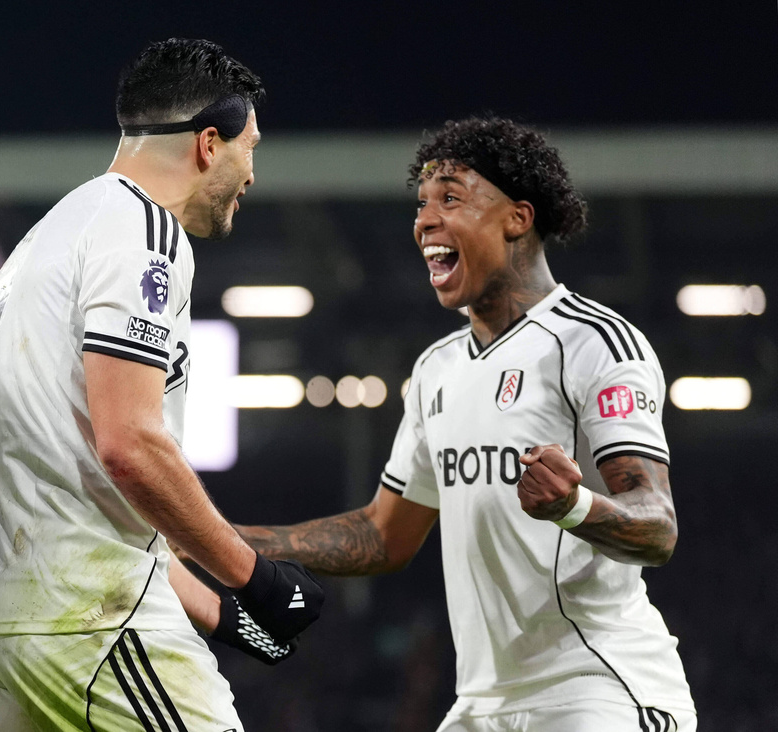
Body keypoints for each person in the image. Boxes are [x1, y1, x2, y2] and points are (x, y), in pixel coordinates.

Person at [237, 117, 697, 730]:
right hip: (482, 704)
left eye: (450, 199)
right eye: (421, 205)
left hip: (599, 688)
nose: (425, 221)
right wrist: (221, 539)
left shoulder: (595, 344)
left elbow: (657, 527)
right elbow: (383, 535)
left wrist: (574, 506)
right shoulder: (437, 368)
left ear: (518, 218)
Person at [0, 38, 322, 732]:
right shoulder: (145, 231)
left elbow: (90, 490)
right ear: (208, 144)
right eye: (250, 149)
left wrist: (223, 614)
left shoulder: (48, 237)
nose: (252, 174)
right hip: (87, 622)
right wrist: (256, 577)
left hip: (3, 622)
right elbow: (129, 447)